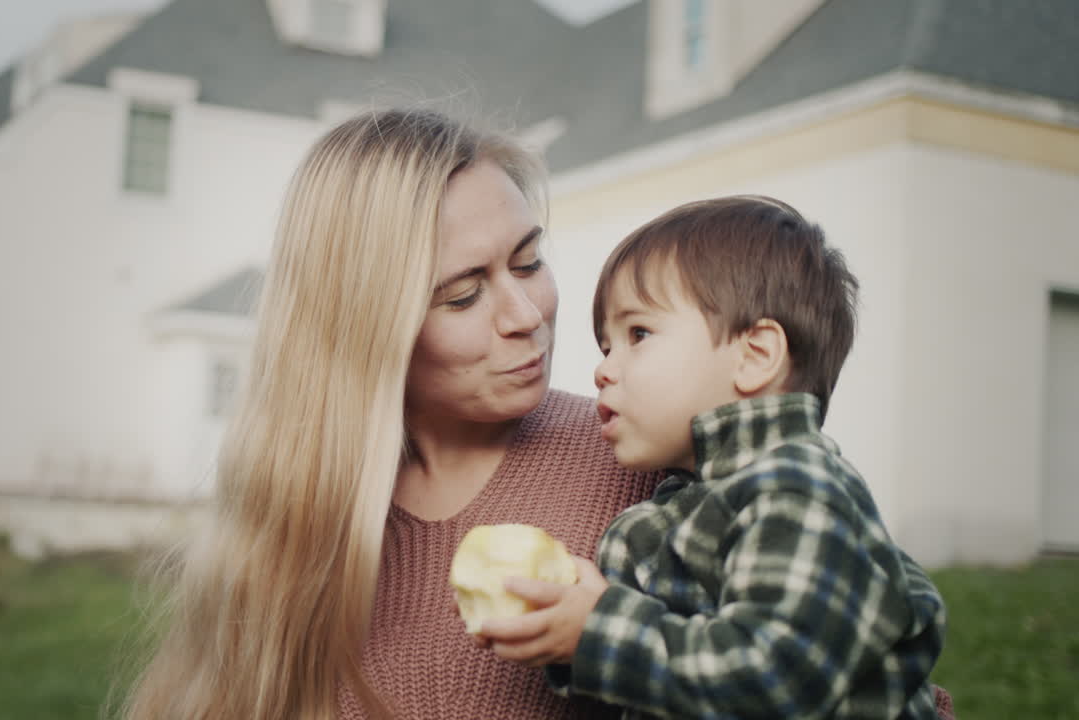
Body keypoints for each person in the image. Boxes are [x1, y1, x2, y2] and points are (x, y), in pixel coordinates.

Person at [117, 108, 658, 720]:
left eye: (528, 262)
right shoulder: (294, 526)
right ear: (368, 328)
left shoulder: (640, 459)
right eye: (463, 294)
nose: (526, 315)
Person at [478, 196, 953, 718]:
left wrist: (598, 631)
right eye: (605, 346)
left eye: (638, 335)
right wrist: (561, 629)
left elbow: (776, 680)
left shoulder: (795, 490)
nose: (604, 370)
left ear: (755, 356)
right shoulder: (680, 505)